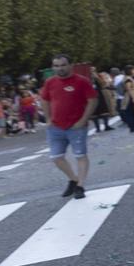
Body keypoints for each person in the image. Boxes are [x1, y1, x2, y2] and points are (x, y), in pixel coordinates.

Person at [38, 54, 97, 199]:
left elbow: (92, 100)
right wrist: (48, 119)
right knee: (56, 157)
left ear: (70, 65)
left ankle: (80, 186)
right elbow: (44, 100)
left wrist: (83, 120)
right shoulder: (50, 82)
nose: (60, 68)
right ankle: (74, 179)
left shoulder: (81, 81)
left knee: (80, 155)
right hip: (56, 127)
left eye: (63, 65)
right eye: (56, 66)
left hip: (76, 126)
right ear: (53, 67)